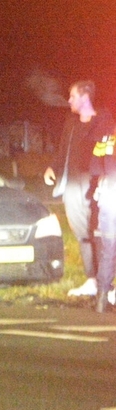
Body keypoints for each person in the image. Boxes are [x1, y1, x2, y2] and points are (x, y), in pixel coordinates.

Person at [44, 80, 111, 296]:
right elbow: (63, 150)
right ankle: (92, 279)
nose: (69, 100)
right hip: (73, 184)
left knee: (100, 232)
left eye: (72, 96)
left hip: (97, 183)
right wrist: (52, 167)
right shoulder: (71, 122)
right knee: (82, 233)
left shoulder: (105, 120)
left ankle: (106, 281)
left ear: (84, 97)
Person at [92, 125, 116, 312]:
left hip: (109, 196)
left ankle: (101, 298)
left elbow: (95, 165)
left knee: (108, 251)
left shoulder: (107, 135)